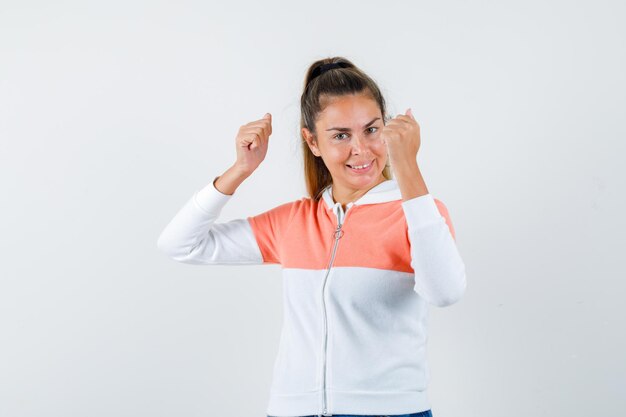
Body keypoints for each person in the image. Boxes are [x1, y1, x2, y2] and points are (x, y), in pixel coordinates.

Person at [157, 57, 467, 417]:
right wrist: (240, 169)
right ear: (312, 141)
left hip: (390, 410)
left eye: (371, 130)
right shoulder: (294, 222)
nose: (361, 150)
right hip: (292, 409)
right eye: (340, 135)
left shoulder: (418, 213)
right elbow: (179, 244)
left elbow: (445, 292)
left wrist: (409, 168)